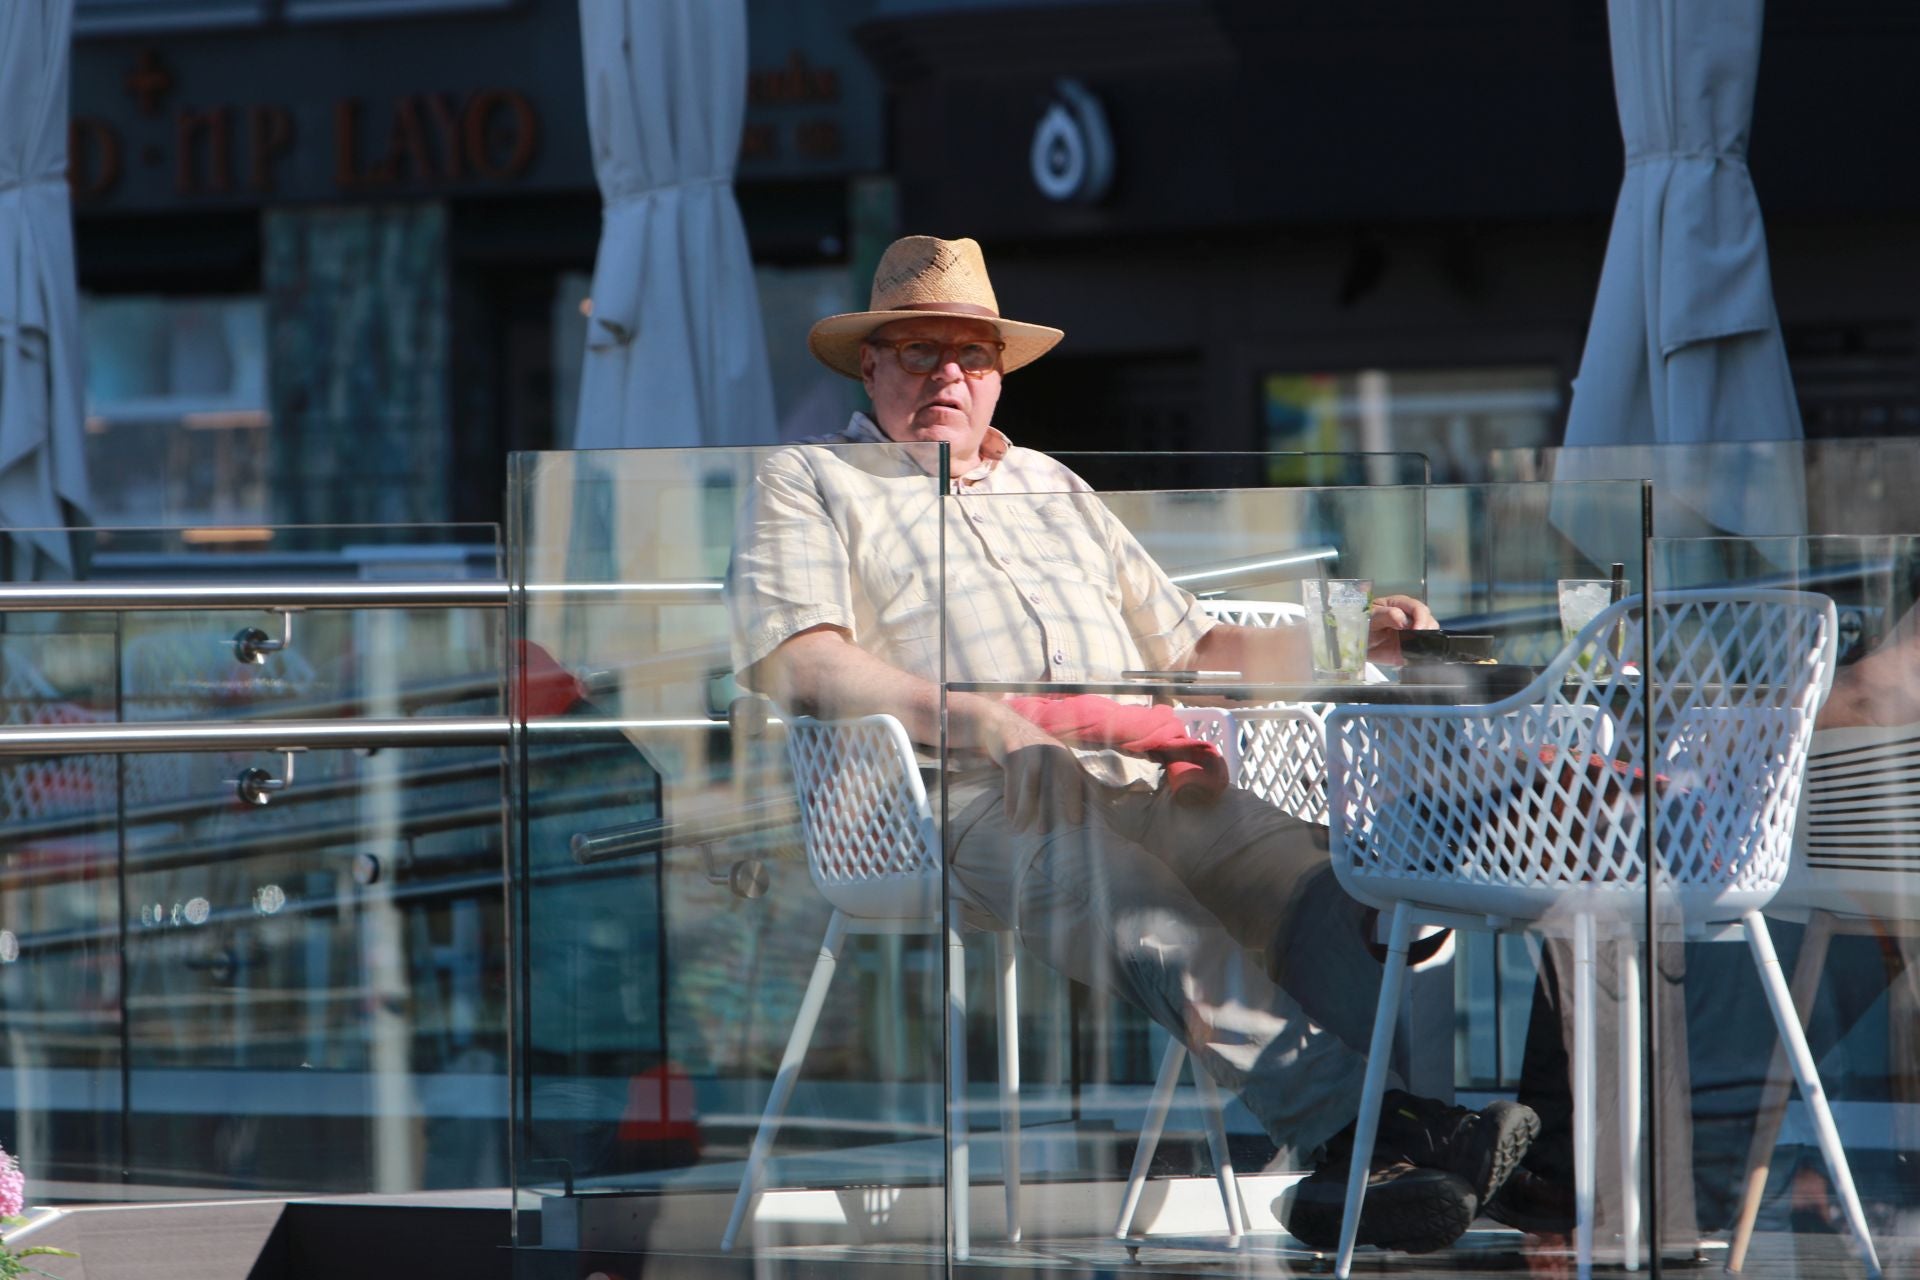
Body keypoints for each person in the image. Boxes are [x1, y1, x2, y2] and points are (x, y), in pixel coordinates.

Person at [727, 235, 1539, 1253]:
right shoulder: (813, 477)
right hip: (952, 796)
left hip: (1143, 775)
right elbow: (800, 660)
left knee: (1337, 883)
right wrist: (977, 717)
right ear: (870, 364)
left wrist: (1352, 635)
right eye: (921, 350)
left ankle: (1375, 1158)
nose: (949, 373)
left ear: (997, 376)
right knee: (1131, 905)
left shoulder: (1052, 485)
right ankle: (1380, 1135)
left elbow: (1190, 644)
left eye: (972, 355)